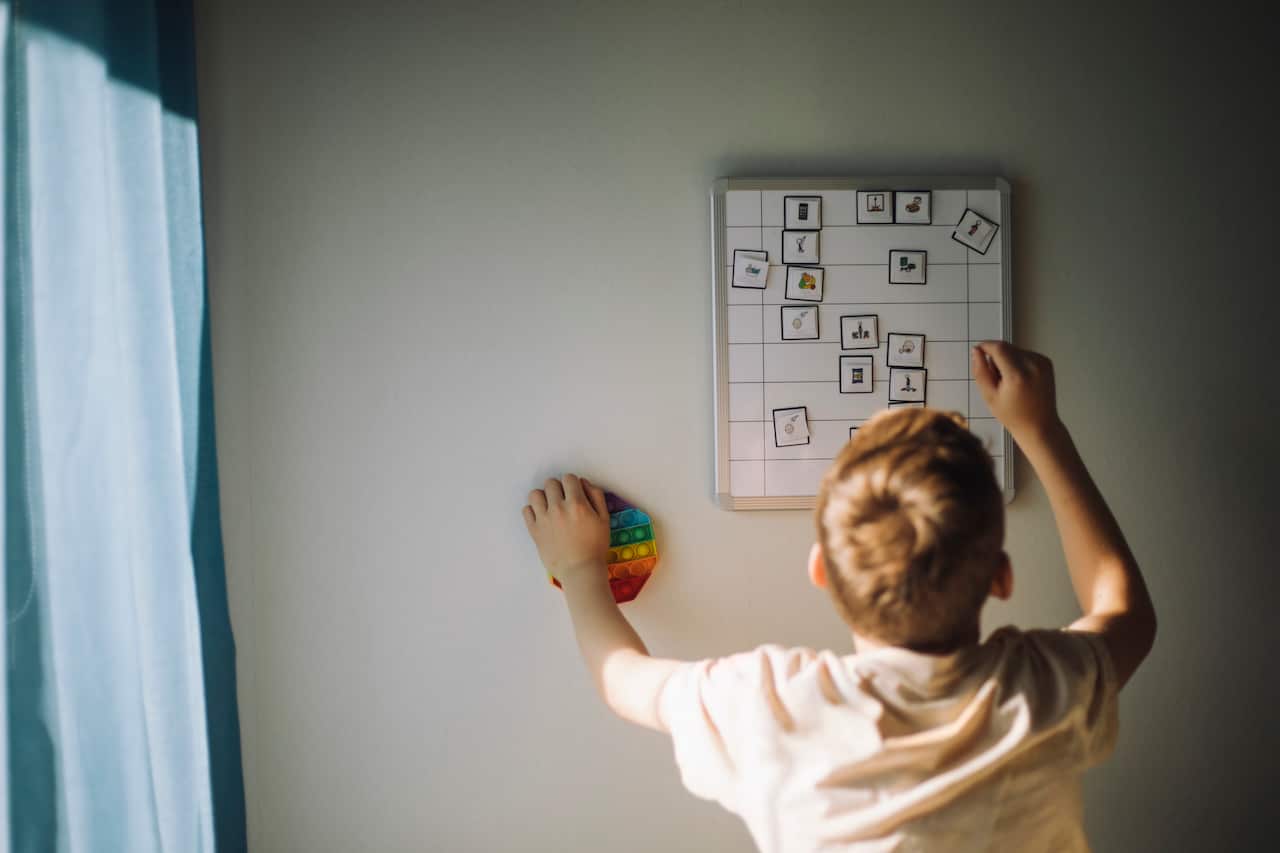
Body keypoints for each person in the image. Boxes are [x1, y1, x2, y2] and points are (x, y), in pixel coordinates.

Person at [521, 341, 1156, 852]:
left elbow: (625, 681)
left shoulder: (774, 707)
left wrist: (579, 568)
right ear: (1002, 576)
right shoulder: (1042, 689)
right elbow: (1124, 607)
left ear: (820, 569)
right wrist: (1042, 431)